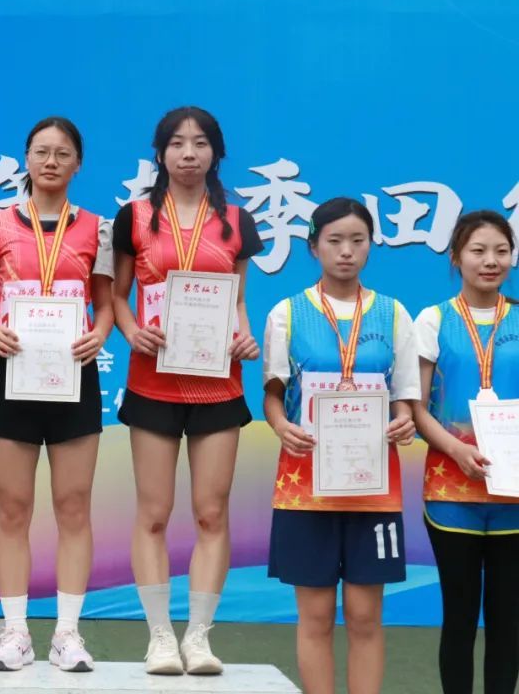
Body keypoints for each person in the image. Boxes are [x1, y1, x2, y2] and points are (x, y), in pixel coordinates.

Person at [111, 106, 262, 674]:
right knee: (153, 513)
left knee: (210, 513)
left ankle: (198, 636)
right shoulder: (135, 217)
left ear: (216, 153)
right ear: (160, 153)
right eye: (177, 143)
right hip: (152, 382)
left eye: (200, 143)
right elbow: (118, 297)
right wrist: (132, 332)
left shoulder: (238, 221)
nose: (189, 153)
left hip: (218, 386)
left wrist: (244, 336)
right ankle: (159, 636)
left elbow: (238, 301)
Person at [0, 116, 112, 673]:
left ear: (78, 163)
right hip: (14, 374)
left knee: (73, 506)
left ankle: (68, 634)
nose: (51, 162)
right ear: (26, 159)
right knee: (13, 507)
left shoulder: (97, 229)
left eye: (62, 153)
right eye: (41, 152)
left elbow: (106, 303)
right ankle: (15, 632)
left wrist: (100, 334)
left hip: (74, 376)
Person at [263, 197, 419, 694]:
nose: (346, 251)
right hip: (305, 485)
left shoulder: (394, 314)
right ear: (314, 247)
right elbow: (273, 394)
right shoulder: (287, 313)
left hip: (373, 487)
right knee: (314, 616)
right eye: (334, 241)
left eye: (357, 240)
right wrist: (281, 427)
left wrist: (403, 420)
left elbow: (405, 397)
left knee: (365, 614)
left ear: (371, 245)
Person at [411, 210, 519, 694]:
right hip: (451, 492)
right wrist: (456, 449)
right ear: (456, 257)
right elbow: (416, 407)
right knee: (459, 615)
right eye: (478, 251)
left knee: (508, 619)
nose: (490, 261)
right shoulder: (433, 320)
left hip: (514, 495)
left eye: (501, 251)